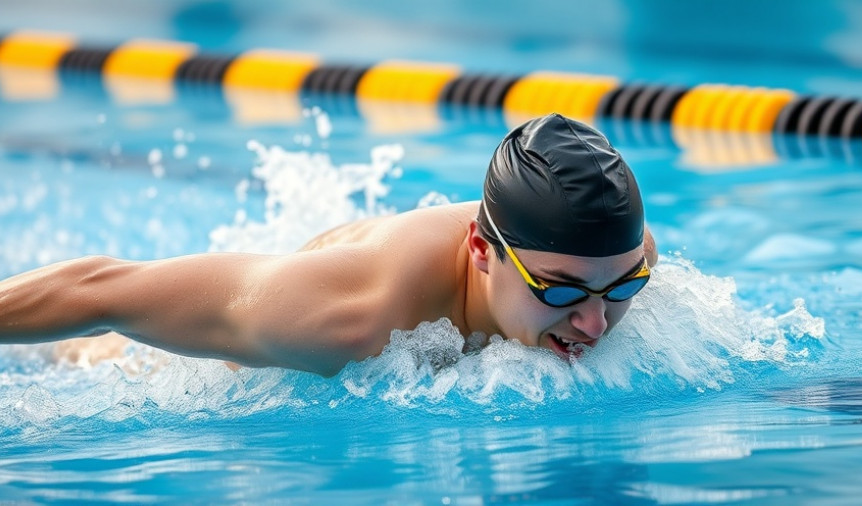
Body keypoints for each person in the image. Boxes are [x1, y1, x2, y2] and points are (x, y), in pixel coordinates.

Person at [0, 113, 657, 376]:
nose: (596, 323)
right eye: (562, 292)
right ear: (483, 252)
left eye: (622, 289)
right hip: (213, 356)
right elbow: (101, 290)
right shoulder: (348, 321)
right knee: (99, 357)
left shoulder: (616, 253)